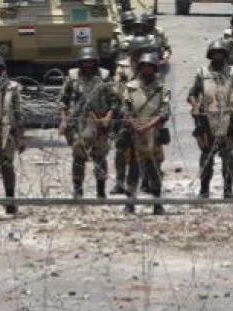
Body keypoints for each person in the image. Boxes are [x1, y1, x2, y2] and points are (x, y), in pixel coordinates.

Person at [187, 41, 233, 199]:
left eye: (221, 53)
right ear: (210, 55)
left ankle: (228, 190)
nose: (218, 56)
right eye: (215, 53)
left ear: (225, 55)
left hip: (228, 119)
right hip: (207, 120)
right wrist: (195, 106)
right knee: (206, 156)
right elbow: (192, 94)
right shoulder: (202, 73)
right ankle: (204, 190)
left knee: (228, 157)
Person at [59, 47, 115, 200]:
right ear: (80, 63)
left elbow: (114, 100)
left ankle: (101, 192)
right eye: (85, 62)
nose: (88, 65)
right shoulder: (73, 77)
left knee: (100, 156)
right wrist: (64, 121)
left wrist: (108, 117)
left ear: (96, 62)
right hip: (80, 123)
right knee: (78, 157)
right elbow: (63, 100)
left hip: (100, 122)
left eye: (91, 62)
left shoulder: (104, 77)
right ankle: (78, 191)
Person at [121, 52, 171, 215]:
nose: (147, 70)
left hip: (154, 133)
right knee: (133, 169)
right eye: (144, 67)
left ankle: (157, 203)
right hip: (134, 133)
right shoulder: (130, 87)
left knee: (154, 168)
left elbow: (165, 111)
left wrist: (148, 125)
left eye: (150, 67)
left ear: (154, 69)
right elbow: (124, 109)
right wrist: (134, 124)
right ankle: (130, 202)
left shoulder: (162, 88)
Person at [110, 35, 153, 195]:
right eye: (140, 50)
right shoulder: (123, 67)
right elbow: (117, 88)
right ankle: (120, 182)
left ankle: (146, 181)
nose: (142, 53)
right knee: (121, 148)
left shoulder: (150, 64)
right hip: (125, 112)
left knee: (146, 149)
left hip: (144, 112)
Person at [0, 54, 22, 216]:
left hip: (6, 131)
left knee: (7, 167)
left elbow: (18, 112)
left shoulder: (12, 87)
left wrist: (20, 135)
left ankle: (10, 202)